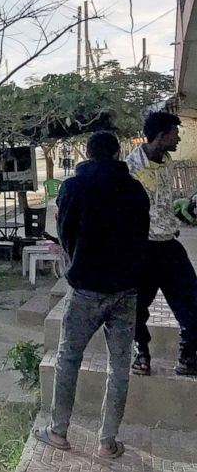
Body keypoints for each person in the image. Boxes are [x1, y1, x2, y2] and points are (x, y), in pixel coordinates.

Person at [35, 131, 149, 459]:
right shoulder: (135, 190)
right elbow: (142, 236)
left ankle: (58, 432)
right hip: (125, 289)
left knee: (68, 359)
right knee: (119, 366)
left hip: (85, 288)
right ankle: (108, 441)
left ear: (87, 153)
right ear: (116, 155)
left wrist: (77, 261)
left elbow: (66, 232)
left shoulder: (74, 188)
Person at [125, 111, 197, 377]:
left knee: (191, 302)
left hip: (169, 245)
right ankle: (141, 354)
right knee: (137, 306)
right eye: (174, 134)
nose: (178, 138)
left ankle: (188, 357)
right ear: (160, 136)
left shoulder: (166, 162)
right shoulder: (131, 168)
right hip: (143, 247)